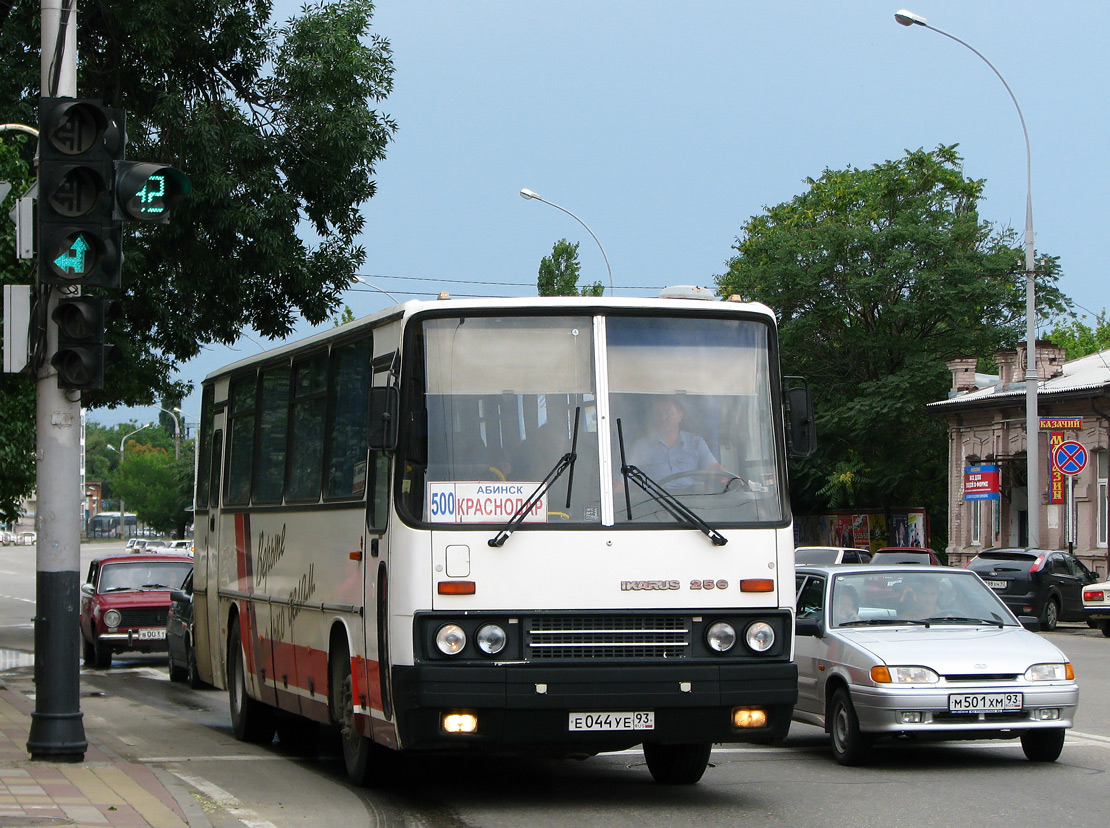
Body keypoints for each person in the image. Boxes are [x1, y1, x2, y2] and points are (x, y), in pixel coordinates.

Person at [627, 396, 728, 488]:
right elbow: (623, 479)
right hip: (655, 504)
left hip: (694, 503)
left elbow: (713, 467)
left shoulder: (696, 443)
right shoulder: (641, 447)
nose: (663, 417)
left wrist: (726, 476)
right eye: (658, 413)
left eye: (668, 412)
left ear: (680, 415)